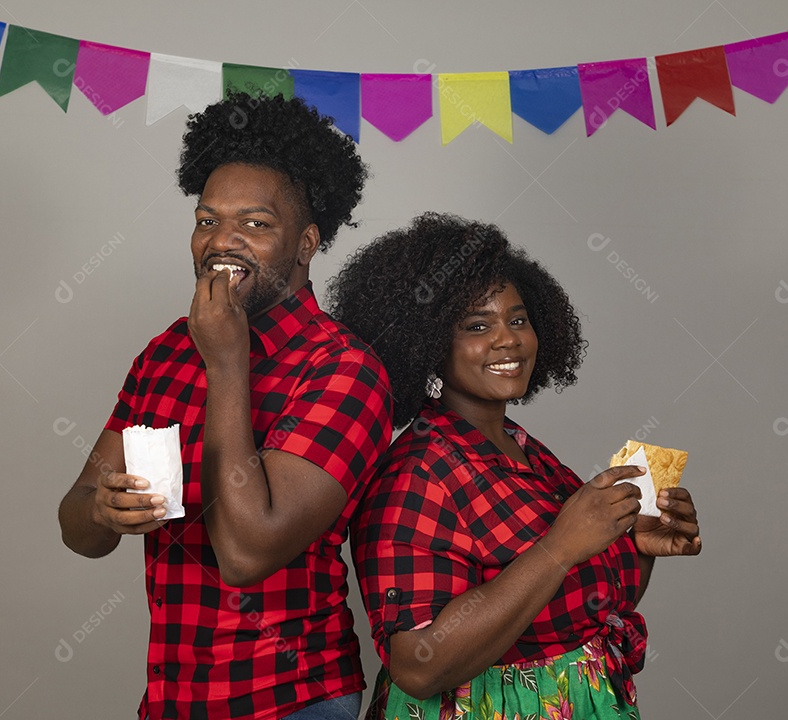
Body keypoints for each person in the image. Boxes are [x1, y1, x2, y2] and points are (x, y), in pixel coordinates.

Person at [58, 93, 393, 720]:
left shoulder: (345, 371)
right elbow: (77, 525)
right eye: (207, 219)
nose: (222, 241)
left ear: (307, 243)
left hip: (289, 700)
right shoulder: (164, 351)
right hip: (174, 700)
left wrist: (226, 361)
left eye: (256, 224)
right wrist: (104, 510)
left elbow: (246, 553)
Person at [327, 213, 701, 719]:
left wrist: (641, 548)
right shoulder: (416, 474)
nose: (509, 340)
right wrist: (560, 546)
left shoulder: (525, 451)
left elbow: (576, 611)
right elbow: (418, 667)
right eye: (477, 326)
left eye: (518, 319)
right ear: (428, 342)